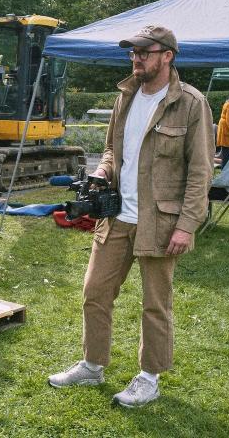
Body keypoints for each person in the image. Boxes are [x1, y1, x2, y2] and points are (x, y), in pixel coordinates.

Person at [47, 25, 213, 408]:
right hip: (117, 214)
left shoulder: (189, 102)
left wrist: (187, 225)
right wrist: (102, 171)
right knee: (95, 292)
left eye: (144, 51)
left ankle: (149, 378)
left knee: (156, 304)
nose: (136, 58)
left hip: (162, 221)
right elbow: (111, 150)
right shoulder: (126, 97)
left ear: (167, 55)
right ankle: (92, 365)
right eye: (132, 52)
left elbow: (200, 171)